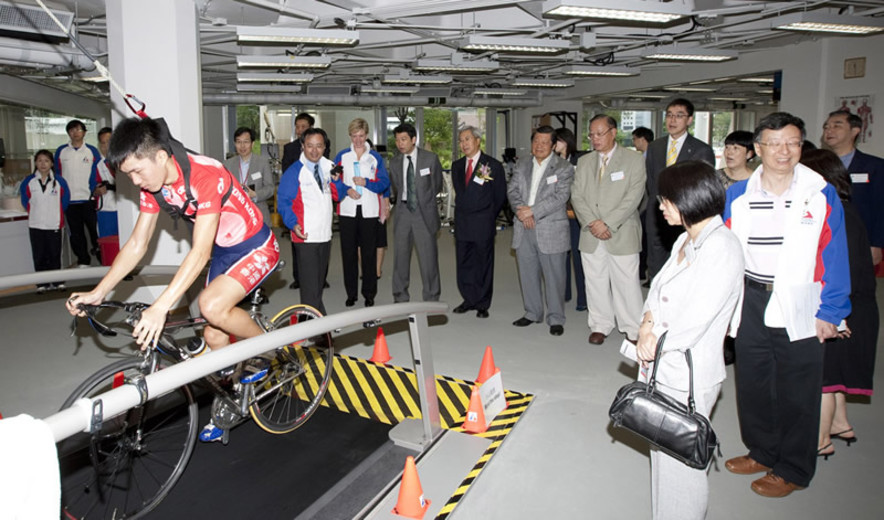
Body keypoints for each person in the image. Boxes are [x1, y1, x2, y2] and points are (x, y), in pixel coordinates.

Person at [723, 112, 851, 498]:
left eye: (792, 143)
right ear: (758, 149)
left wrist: (831, 312)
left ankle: (793, 467)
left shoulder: (820, 193)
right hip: (751, 297)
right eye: (774, 143)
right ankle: (762, 452)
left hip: (801, 300)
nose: (784, 151)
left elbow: (835, 255)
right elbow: (726, 250)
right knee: (754, 381)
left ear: (802, 147)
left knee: (798, 389)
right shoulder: (737, 194)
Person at [636, 160, 744, 520]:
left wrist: (654, 340)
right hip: (663, 366)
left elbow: (696, 319)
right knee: (662, 459)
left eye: (666, 200)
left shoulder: (722, 247)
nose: (660, 206)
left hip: (688, 375)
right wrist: (646, 323)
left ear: (688, 199)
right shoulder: (686, 237)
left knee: (682, 466)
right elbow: (658, 289)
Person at [799, 149, 878, 460]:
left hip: (844, 309)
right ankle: (841, 423)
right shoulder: (846, 208)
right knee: (836, 373)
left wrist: (838, 317)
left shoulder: (837, 216)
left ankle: (818, 440)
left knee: (824, 380)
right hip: (855, 306)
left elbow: (845, 272)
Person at [571, 115, 646, 346]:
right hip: (591, 233)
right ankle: (600, 325)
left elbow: (634, 196)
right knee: (595, 281)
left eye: (599, 133)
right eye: (591, 134)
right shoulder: (584, 161)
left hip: (621, 231)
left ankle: (633, 328)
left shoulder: (633, 160)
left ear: (613, 133)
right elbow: (577, 195)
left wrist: (608, 223)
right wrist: (593, 222)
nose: (594, 139)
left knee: (626, 283)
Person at [508, 125, 574, 336]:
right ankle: (532, 312)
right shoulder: (522, 164)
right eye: (536, 141)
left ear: (554, 145)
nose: (539, 146)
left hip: (551, 229)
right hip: (523, 227)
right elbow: (512, 190)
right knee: (527, 273)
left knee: (554, 276)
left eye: (545, 142)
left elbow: (560, 197)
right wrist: (521, 213)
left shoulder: (563, 167)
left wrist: (532, 212)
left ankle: (555, 318)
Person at [645, 99, 715, 280]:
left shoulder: (702, 150)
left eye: (679, 116)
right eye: (669, 115)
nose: (672, 120)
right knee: (657, 270)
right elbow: (652, 183)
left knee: (683, 271)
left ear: (690, 120)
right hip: (658, 217)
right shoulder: (655, 147)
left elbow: (701, 190)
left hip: (686, 218)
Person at [278, 128, 337, 315]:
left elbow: (339, 194)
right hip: (305, 236)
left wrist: (337, 181)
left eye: (319, 146)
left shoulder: (330, 167)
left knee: (317, 285)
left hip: (325, 235)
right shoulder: (294, 171)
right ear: (302, 146)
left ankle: (312, 325)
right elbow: (283, 202)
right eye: (310, 146)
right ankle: (321, 331)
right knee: (310, 290)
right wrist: (293, 224)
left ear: (324, 147)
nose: (314, 150)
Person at [451, 126, 507, 318]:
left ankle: (482, 303)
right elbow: (461, 194)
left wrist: (489, 216)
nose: (463, 144)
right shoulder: (457, 166)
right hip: (462, 223)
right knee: (464, 263)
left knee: (483, 263)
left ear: (477, 141)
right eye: (461, 140)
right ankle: (468, 299)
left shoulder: (489, 165)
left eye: (467, 139)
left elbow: (499, 196)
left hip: (483, 222)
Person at [334, 118, 390, 307]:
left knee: (368, 254)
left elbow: (384, 182)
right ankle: (351, 293)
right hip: (347, 210)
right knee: (348, 253)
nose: (358, 140)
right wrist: (346, 190)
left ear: (366, 136)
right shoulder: (342, 156)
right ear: (350, 136)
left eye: (361, 136)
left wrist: (367, 182)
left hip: (369, 211)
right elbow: (333, 180)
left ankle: (369, 293)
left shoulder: (375, 157)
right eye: (354, 136)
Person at [388, 123, 443, 303]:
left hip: (423, 213)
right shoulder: (395, 162)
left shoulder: (430, 159)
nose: (400, 144)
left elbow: (436, 185)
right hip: (403, 212)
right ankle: (400, 296)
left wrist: (423, 200)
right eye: (397, 140)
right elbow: (396, 187)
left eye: (403, 139)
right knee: (400, 258)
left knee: (428, 260)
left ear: (413, 139)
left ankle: (431, 297)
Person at [822, 110, 884, 265]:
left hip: (859, 239)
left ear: (854, 131)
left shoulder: (874, 166)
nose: (829, 130)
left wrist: (876, 244)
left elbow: (880, 207)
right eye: (826, 127)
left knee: (857, 285)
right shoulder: (818, 165)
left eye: (837, 126)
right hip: (824, 237)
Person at [20, 150, 70, 293]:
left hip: (54, 223)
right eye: (40, 160)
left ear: (52, 164)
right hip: (35, 224)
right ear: (35, 163)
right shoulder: (29, 181)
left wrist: (56, 214)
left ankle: (57, 281)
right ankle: (41, 283)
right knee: (39, 255)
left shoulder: (59, 181)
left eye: (46, 161)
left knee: (55, 254)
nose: (43, 164)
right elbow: (25, 201)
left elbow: (65, 201)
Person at [55, 119, 102, 267]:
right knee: (76, 234)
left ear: (84, 132)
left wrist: (95, 191)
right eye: (72, 130)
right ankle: (83, 260)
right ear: (68, 133)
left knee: (96, 232)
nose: (75, 133)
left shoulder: (92, 151)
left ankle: (102, 258)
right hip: (70, 202)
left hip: (88, 200)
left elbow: (97, 173)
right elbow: (57, 174)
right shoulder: (61, 151)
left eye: (79, 130)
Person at [281, 113, 318, 290]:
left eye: (303, 126)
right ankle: (298, 277)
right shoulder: (289, 148)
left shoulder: (319, 145)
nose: (300, 130)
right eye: (297, 126)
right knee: (298, 240)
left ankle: (320, 277)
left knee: (320, 241)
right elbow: (287, 173)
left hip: (316, 200)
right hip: (297, 199)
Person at [555, 127, 587, 312]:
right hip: (559, 215)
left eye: (556, 141)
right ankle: (564, 293)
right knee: (561, 256)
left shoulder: (580, 161)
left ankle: (582, 299)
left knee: (578, 257)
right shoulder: (555, 162)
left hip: (576, 216)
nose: (553, 145)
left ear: (565, 142)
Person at [224, 127, 274, 226]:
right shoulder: (227, 165)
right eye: (239, 142)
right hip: (235, 216)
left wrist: (255, 195)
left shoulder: (262, 163)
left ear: (252, 143)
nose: (242, 146)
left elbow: (270, 188)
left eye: (246, 142)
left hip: (259, 213)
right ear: (235, 144)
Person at [94, 127, 118, 240]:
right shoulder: (97, 165)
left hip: (125, 208)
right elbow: (91, 187)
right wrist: (96, 191)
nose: (106, 147)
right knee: (107, 242)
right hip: (106, 210)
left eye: (109, 142)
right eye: (103, 143)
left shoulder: (126, 161)